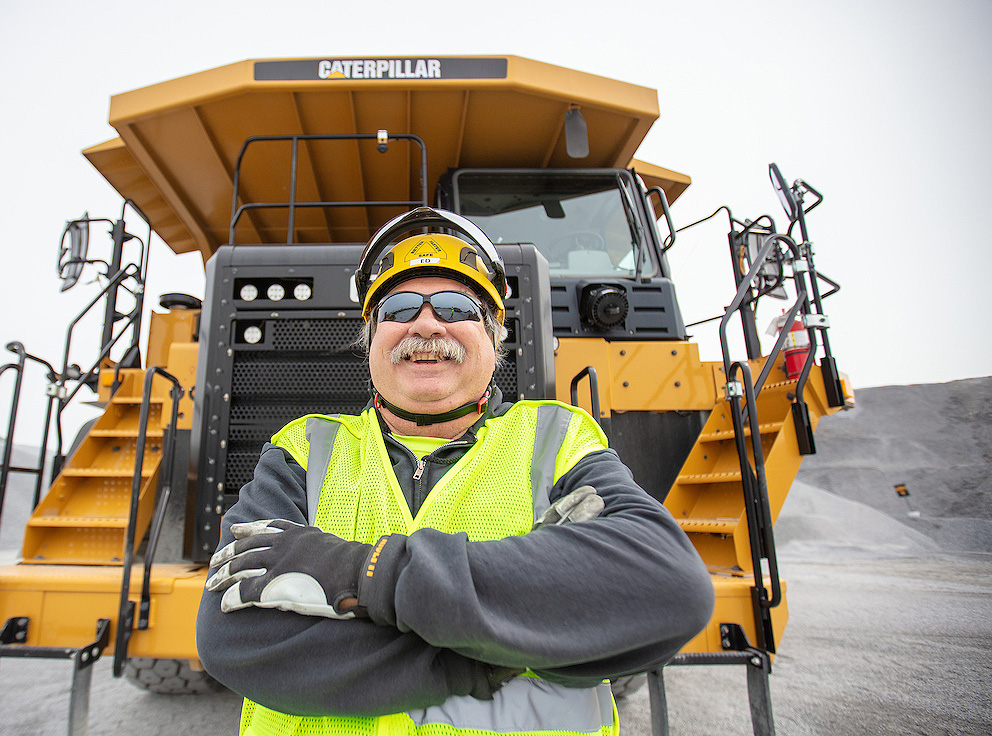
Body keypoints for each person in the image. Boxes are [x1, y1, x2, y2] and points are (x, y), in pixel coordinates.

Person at [196, 207, 715, 736]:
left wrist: (363, 574)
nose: (425, 324)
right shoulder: (304, 452)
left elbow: (666, 588)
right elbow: (231, 637)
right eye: (397, 308)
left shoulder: (555, 443)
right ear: (370, 339)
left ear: (494, 337)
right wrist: (494, 654)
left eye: (454, 305)